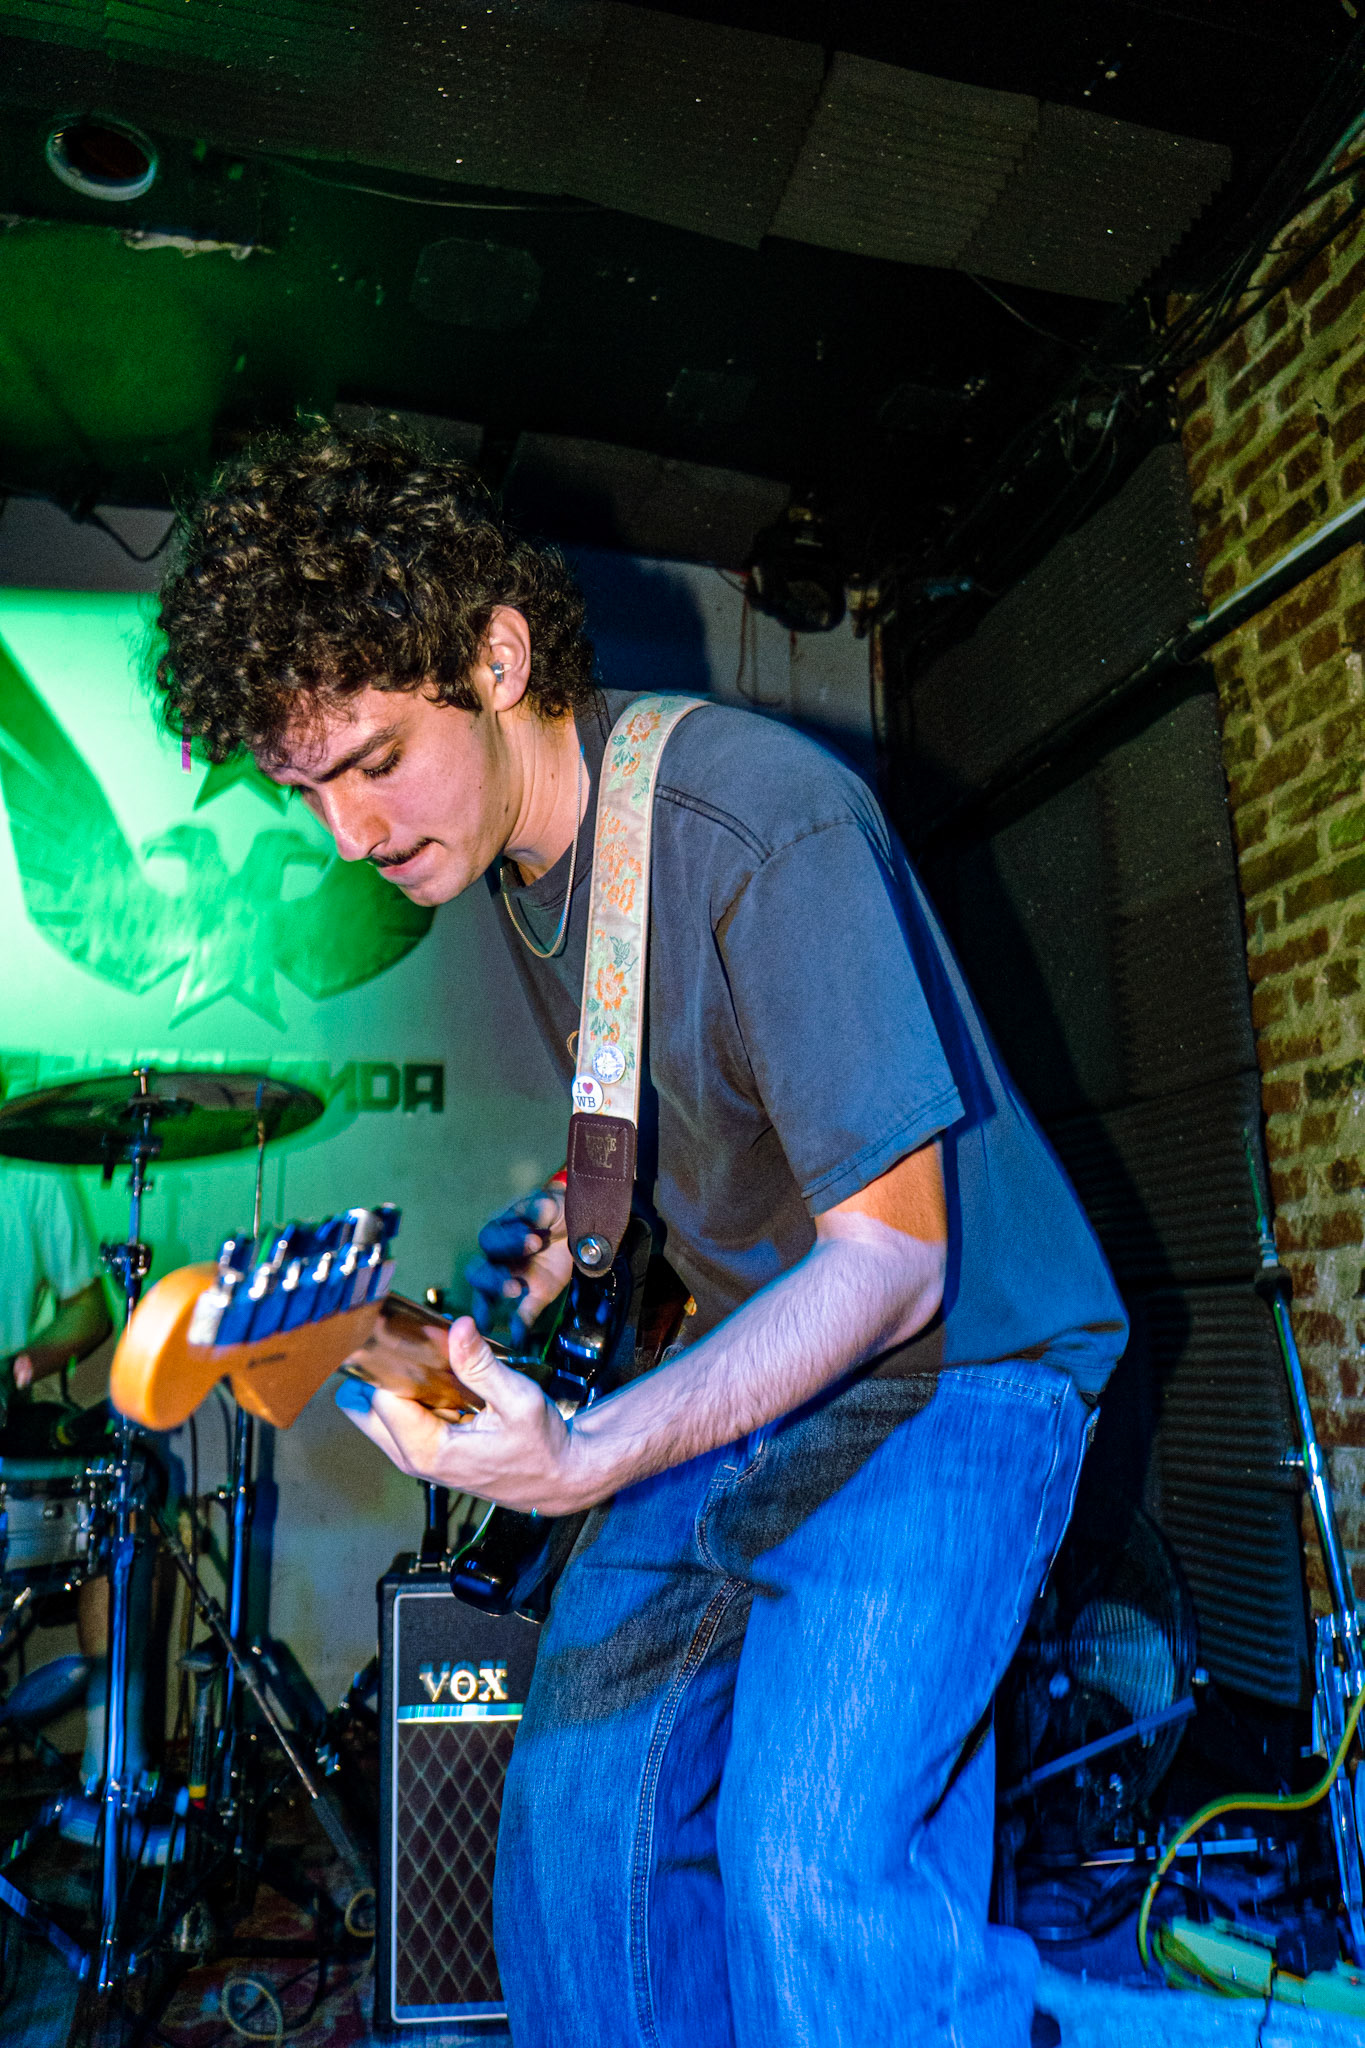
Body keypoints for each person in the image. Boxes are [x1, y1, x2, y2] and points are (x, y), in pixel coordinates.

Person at [152, 425, 1128, 2048]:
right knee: (568, 1846)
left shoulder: (756, 819)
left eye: (374, 760)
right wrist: (577, 1230)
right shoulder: (529, 864)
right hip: (772, 1376)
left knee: (806, 1873)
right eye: (303, 787)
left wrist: (590, 1451)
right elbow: (718, 1114)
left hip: (962, 1370)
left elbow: (893, 1260)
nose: (346, 834)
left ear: (497, 657)